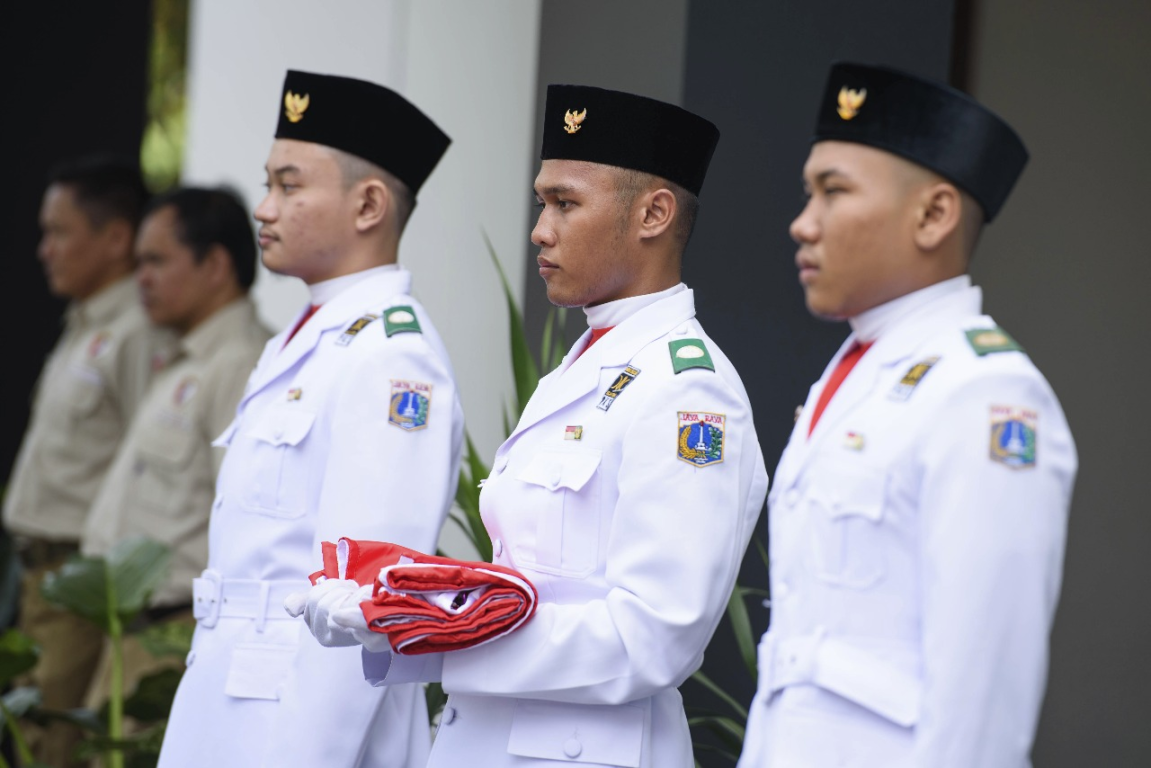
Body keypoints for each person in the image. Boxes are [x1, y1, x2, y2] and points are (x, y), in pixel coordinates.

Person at [298, 84, 769, 768]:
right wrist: (403, 615)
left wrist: (442, 637)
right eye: (541, 203)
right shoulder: (591, 364)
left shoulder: (686, 389)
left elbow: (654, 636)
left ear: (653, 213)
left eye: (565, 203)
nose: (540, 230)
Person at [737, 62, 1077, 768]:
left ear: (932, 214)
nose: (801, 224)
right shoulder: (854, 370)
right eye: (808, 193)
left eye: (833, 192)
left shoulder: (984, 394)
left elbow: (982, 701)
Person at [157, 71, 463, 768]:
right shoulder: (306, 337)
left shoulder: (392, 357)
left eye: (290, 187)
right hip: (228, 694)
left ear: (368, 205)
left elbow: (357, 600)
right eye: (268, 184)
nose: (264, 208)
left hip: (297, 722)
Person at [80, 186, 272, 710]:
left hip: (174, 628)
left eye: (157, 261)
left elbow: (242, 517)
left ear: (215, 264)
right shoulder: (187, 355)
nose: (140, 278)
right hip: (137, 627)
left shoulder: (236, 363)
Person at [4, 155, 165, 767]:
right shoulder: (86, 321)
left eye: (59, 232)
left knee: (51, 745)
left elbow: (141, 465)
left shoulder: (134, 331)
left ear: (116, 237)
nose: (45, 249)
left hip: (77, 579)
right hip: (41, 577)